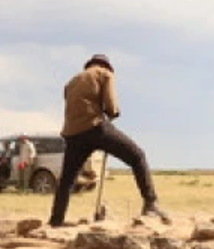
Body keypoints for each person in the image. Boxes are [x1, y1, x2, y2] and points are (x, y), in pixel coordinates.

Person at [49, 54, 166, 226]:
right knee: (137, 156)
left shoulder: (71, 82)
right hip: (96, 127)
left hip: (72, 134)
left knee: (67, 180)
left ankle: (56, 220)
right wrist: (113, 113)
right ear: (106, 66)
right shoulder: (104, 74)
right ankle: (151, 203)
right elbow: (111, 105)